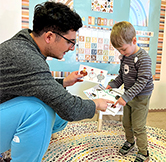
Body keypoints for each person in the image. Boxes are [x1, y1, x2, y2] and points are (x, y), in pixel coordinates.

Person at [0, 2, 113, 162]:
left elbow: (34, 85)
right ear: (49, 37)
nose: (72, 48)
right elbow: (69, 108)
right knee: (40, 111)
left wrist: (63, 82)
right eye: (70, 41)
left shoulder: (25, 42)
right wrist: (96, 105)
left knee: (55, 109)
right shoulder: (26, 57)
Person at [106, 21, 154, 162]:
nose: (121, 53)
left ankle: (144, 152)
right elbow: (121, 76)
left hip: (141, 97)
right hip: (129, 95)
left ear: (134, 40)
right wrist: (112, 85)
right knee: (127, 123)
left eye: (123, 49)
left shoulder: (144, 58)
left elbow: (142, 82)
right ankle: (130, 141)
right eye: (119, 50)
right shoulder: (125, 57)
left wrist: (125, 97)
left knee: (138, 126)